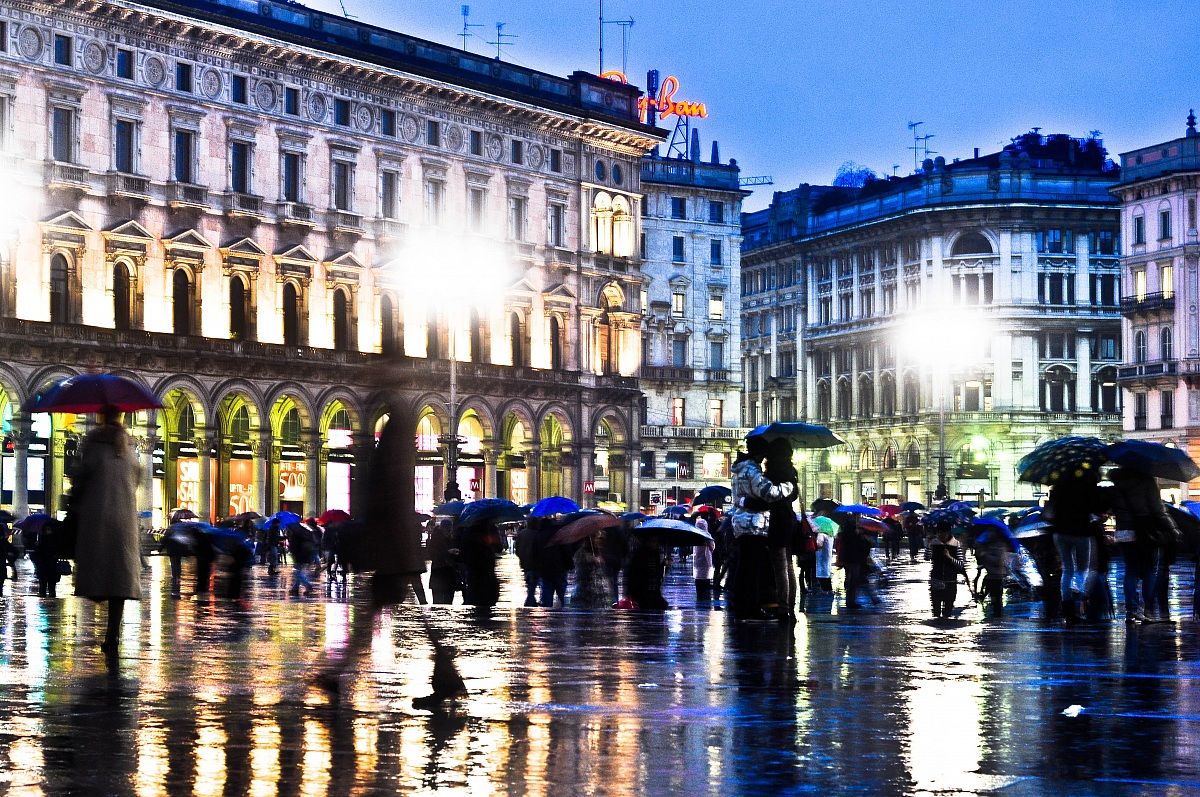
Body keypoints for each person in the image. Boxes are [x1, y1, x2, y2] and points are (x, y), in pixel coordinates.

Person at [72, 405, 142, 657]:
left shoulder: (93, 443)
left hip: (97, 516)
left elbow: (80, 477)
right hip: (124, 522)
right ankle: (112, 635)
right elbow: (137, 477)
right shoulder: (129, 447)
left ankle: (99, 602)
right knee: (118, 580)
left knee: (98, 569)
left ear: (101, 417)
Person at [729, 436, 794, 621]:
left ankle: (741, 605)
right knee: (752, 569)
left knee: (744, 567)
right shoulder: (752, 469)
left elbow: (739, 498)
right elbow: (768, 493)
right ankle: (750, 607)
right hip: (753, 525)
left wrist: (745, 501)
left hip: (741, 523)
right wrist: (787, 487)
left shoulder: (738, 469)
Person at [1108, 466, 1176, 623]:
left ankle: (1131, 610)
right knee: (1150, 570)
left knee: (1130, 570)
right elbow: (1158, 509)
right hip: (1145, 530)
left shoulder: (1116, 483)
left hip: (1123, 531)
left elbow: (1112, 508)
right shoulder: (1147, 481)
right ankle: (1148, 610)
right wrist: (1172, 529)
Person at [1045, 471, 1109, 624]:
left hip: (1060, 532)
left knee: (1067, 570)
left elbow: (1050, 511)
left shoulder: (1058, 488)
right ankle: (1079, 603)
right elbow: (1096, 507)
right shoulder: (1087, 487)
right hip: (1081, 531)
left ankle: (1067, 607)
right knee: (1083, 569)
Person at [762, 438, 799, 623]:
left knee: (780, 564)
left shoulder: (775, 473)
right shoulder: (791, 472)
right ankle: (790, 606)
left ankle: (783, 607)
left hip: (777, 519)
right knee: (789, 564)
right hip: (789, 518)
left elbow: (767, 495)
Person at [929, 526, 965, 618]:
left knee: (948, 610)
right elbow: (926, 557)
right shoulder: (934, 543)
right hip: (936, 578)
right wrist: (928, 546)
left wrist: (949, 557)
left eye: (943, 533)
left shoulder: (956, 544)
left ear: (948, 533)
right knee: (936, 610)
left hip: (951, 580)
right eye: (939, 533)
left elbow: (960, 564)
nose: (941, 535)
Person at [427, 518, 463, 605]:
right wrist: (448, 552)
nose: (449, 531)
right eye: (448, 529)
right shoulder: (436, 538)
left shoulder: (451, 538)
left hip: (448, 573)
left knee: (448, 601)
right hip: (439, 572)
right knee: (438, 602)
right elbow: (432, 554)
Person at [571, 535, 612, 608]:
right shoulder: (581, 552)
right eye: (596, 538)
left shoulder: (598, 552)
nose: (598, 541)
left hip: (597, 591)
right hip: (585, 590)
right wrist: (591, 559)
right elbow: (578, 564)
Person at [287, 520, 319, 596]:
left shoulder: (296, 536)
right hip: (305, 555)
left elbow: (294, 547)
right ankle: (295, 588)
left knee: (297, 572)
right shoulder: (307, 533)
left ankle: (308, 585)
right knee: (299, 571)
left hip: (299, 556)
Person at [692, 515, 715, 603]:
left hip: (698, 561)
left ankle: (700, 596)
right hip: (705, 561)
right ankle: (704, 597)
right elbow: (712, 548)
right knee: (705, 580)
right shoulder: (707, 536)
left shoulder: (695, 535)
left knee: (699, 579)